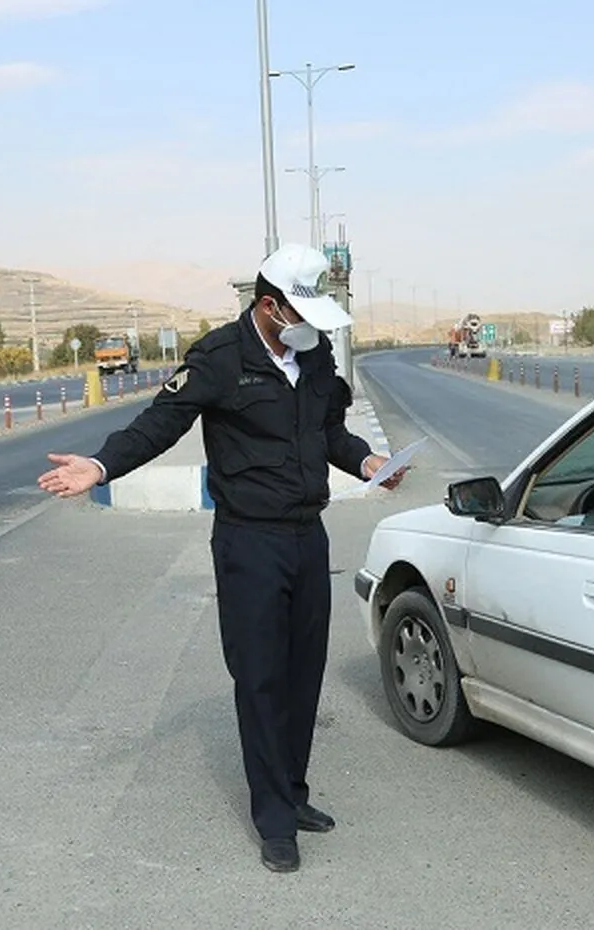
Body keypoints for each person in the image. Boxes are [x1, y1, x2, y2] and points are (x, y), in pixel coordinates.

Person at [38, 243, 405, 874]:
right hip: (249, 542)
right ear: (269, 306)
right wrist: (100, 466)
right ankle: (273, 820)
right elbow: (158, 424)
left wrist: (368, 461)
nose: (312, 327)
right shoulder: (219, 359)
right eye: (302, 312)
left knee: (302, 673)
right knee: (260, 678)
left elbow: (330, 433)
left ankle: (294, 792)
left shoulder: (314, 362)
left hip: (306, 537)